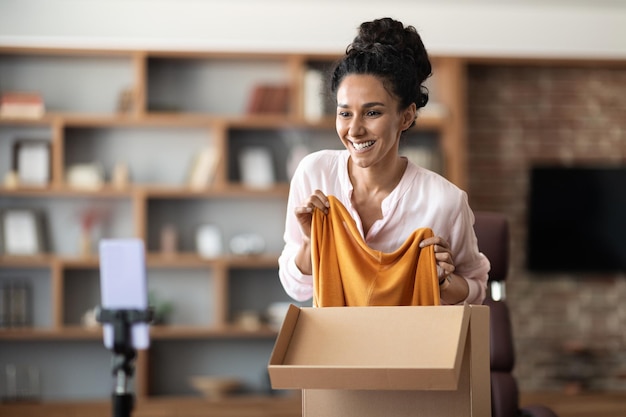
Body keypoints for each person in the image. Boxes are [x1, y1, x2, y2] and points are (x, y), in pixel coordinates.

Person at [278, 17, 489, 305]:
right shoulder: (314, 174)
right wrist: (311, 241)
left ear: (406, 116)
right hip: (337, 343)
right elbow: (296, 288)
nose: (354, 130)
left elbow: (476, 287)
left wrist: (442, 281)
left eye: (372, 113)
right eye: (345, 113)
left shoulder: (444, 201)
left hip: (409, 344)